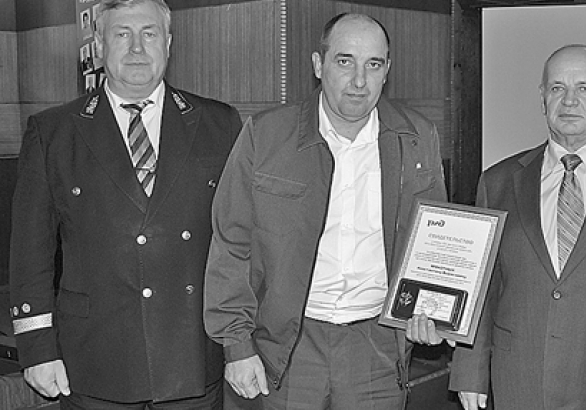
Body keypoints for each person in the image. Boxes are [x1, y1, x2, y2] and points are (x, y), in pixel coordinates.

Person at [408, 44, 586, 409]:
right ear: (542, 99)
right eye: (557, 88)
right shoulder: (498, 182)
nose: (569, 100)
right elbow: (486, 290)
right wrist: (470, 372)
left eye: (584, 88)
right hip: (517, 384)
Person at [204, 12, 447, 410]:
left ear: (387, 70)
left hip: (377, 349)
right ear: (319, 65)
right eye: (344, 61)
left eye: (373, 64)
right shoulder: (266, 136)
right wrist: (236, 345)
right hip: (288, 347)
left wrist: (434, 311)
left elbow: (434, 242)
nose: (359, 80)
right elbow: (231, 244)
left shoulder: (417, 137)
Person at [9, 0, 242, 408]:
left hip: (191, 357)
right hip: (96, 360)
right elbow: (30, 254)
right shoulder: (53, 133)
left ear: (168, 43)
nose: (137, 48)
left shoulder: (219, 124)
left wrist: (241, 344)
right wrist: (37, 348)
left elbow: (240, 243)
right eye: (122, 34)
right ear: (99, 45)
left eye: (149, 34)